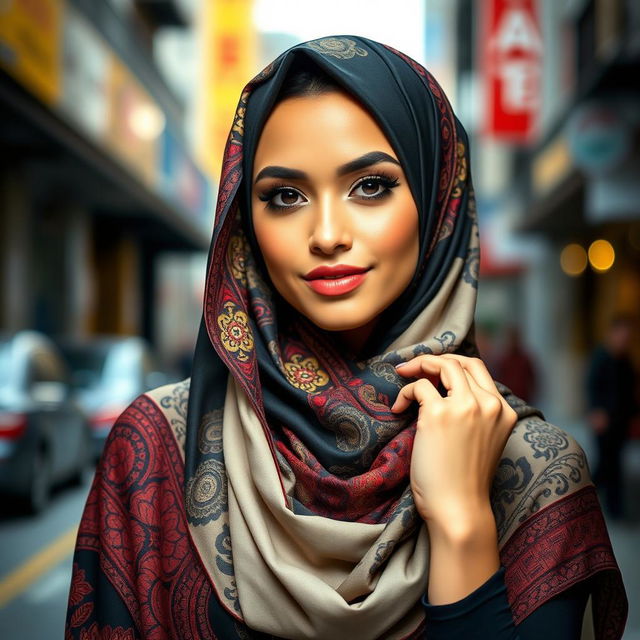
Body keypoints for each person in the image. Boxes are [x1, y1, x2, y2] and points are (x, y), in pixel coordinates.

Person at [65, 36, 627, 639]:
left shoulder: (536, 472)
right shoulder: (153, 450)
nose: (327, 234)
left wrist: (463, 525)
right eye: (285, 196)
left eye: (371, 186)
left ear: (438, 199)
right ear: (243, 225)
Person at [586, 313, 638, 520]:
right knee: (608, 464)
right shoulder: (601, 357)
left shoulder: (625, 360)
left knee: (612, 464)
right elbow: (592, 387)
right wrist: (596, 412)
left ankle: (603, 503)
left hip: (621, 421)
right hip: (604, 421)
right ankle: (607, 505)